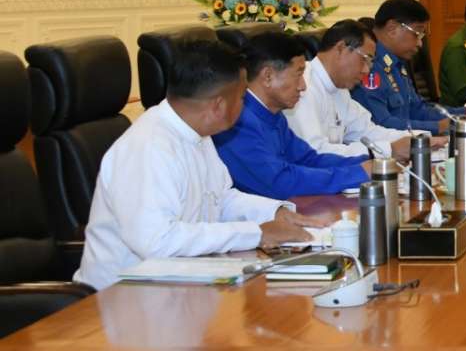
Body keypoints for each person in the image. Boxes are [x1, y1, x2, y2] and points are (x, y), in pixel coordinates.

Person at [75, 40, 326, 290]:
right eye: (242, 97)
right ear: (218, 105)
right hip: (122, 296)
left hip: (179, 281)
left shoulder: (197, 133)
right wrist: (256, 233)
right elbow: (157, 242)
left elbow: (220, 198)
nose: (244, 105)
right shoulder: (148, 146)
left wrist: (275, 213)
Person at [214, 32, 370, 200]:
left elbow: (307, 159)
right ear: (268, 76)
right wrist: (357, 173)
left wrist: (369, 162)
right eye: (298, 74)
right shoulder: (237, 120)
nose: (303, 86)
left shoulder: (273, 114)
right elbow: (280, 183)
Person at [287, 19, 447, 160]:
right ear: (341, 48)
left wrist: (420, 139)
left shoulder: (340, 88)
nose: (367, 70)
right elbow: (315, 152)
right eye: (365, 59)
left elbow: (368, 132)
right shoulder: (302, 86)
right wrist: (389, 150)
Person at [351, 0, 466, 134]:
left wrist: (465, 113)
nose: (420, 43)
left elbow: (418, 110)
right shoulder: (368, 66)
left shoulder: (397, 63)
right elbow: (381, 124)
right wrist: (438, 127)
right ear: (392, 29)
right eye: (417, 34)